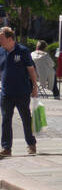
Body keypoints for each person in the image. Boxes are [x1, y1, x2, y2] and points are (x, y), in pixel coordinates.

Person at [0, 26, 40, 158]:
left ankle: (31, 144)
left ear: (10, 39)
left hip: (22, 91)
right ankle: (6, 148)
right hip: (6, 93)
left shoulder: (23, 51)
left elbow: (31, 70)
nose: (0, 41)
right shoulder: (1, 52)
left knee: (26, 119)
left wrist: (35, 87)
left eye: (1, 38)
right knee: (6, 120)